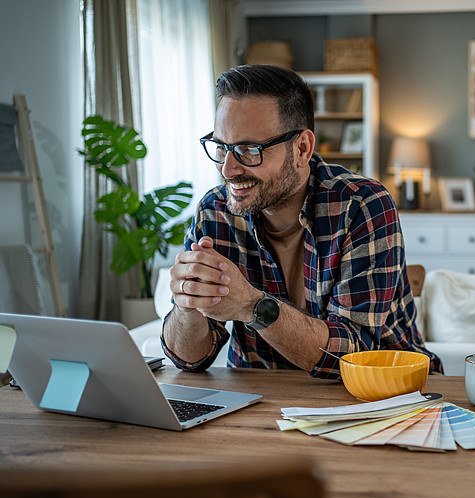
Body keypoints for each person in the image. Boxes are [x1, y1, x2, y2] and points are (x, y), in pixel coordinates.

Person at [161, 64, 441, 379]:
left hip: (384, 393)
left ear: (302, 149)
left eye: (248, 149)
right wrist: (187, 304)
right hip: (261, 399)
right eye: (222, 147)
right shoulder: (215, 211)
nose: (228, 169)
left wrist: (253, 306)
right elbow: (190, 361)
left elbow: (354, 357)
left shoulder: (361, 205)